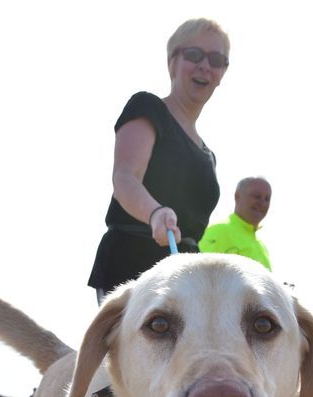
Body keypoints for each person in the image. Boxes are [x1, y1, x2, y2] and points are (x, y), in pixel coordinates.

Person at [87, 18, 230, 302]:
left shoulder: (207, 154)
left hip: (187, 282)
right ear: (172, 61)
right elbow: (125, 178)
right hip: (133, 266)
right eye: (193, 55)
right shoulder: (148, 107)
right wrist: (155, 213)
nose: (204, 65)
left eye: (216, 59)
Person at [198, 177, 272, 269]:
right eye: (257, 196)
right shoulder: (220, 232)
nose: (262, 203)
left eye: (267, 199)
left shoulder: (262, 248)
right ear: (237, 196)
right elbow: (200, 274)